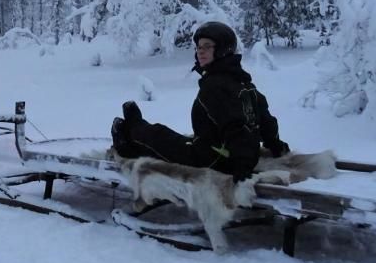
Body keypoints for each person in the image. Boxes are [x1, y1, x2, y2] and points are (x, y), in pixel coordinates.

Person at [111, 21, 289, 181]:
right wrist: (275, 144)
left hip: (215, 161)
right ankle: (136, 128)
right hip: (224, 153)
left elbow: (235, 125)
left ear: (222, 50)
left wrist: (240, 167)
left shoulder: (216, 86)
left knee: (159, 136)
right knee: (171, 138)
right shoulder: (242, 82)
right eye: (198, 47)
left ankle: (129, 136)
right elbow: (265, 119)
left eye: (207, 46)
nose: (200, 51)